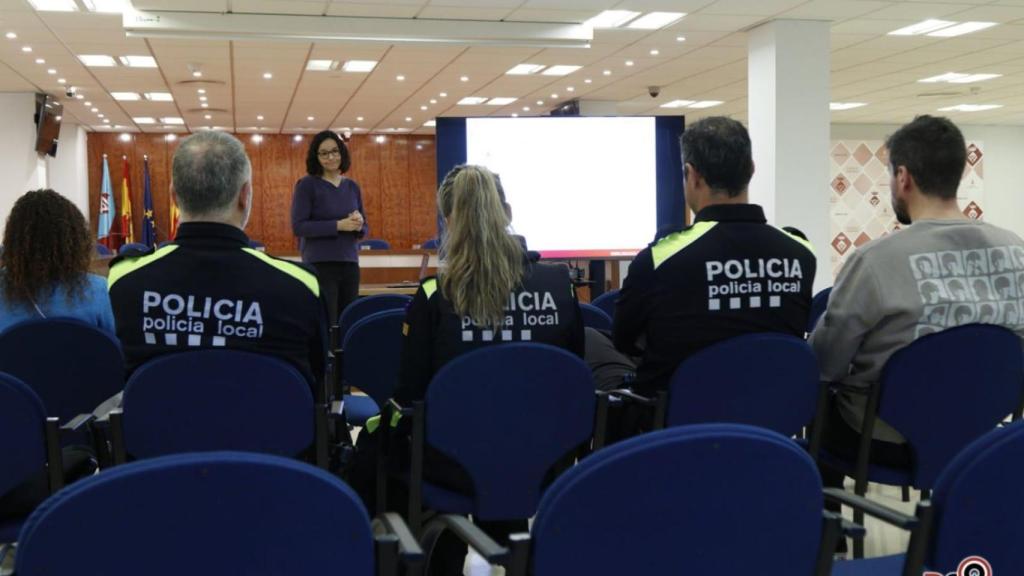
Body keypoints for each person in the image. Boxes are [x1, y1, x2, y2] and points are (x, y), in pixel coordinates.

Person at [374, 165, 583, 574]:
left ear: (449, 220)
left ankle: (437, 560)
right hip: (543, 459)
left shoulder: (436, 294)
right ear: (506, 212)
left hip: (452, 466)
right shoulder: (560, 285)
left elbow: (411, 392)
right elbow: (573, 373)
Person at [810, 115, 1024, 491]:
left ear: (903, 177)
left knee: (817, 403)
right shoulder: (1017, 252)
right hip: (984, 432)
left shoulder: (875, 261)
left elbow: (826, 361)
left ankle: (828, 535)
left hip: (882, 441)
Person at [107, 131, 327, 394]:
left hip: (156, 432)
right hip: (271, 432)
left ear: (174, 196)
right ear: (245, 195)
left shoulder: (123, 280)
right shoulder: (301, 285)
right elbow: (318, 376)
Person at [612, 116, 816, 398]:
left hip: (677, 429)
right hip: (772, 424)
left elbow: (624, 340)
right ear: (751, 170)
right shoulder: (801, 252)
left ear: (692, 174)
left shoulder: (660, 259)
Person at [0, 189, 111, 520]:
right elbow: (114, 361)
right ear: (75, 239)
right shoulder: (97, 292)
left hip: (9, 431)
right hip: (84, 430)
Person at [0, 189, 114, 333]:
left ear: (14, 241)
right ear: (75, 241)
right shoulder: (96, 289)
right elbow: (110, 348)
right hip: (79, 356)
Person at [291, 130, 368, 327]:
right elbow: (299, 227)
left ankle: (346, 358)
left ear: (342, 153)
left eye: (334, 151)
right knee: (326, 322)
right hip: (320, 264)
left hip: (350, 263)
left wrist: (358, 224)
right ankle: (327, 359)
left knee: (349, 319)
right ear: (316, 157)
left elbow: (364, 228)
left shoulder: (352, 186)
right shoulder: (307, 185)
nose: (330, 157)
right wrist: (338, 225)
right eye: (324, 153)